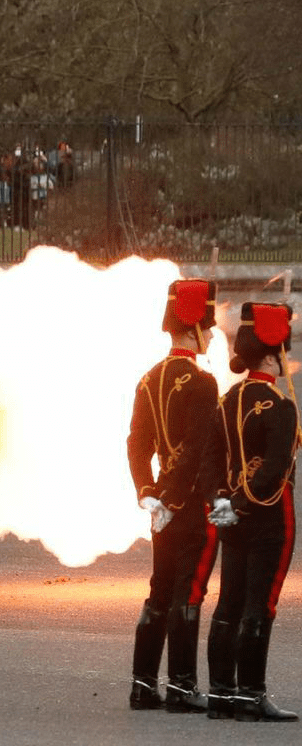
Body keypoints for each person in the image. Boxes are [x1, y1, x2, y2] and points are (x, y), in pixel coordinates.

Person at [202, 301, 300, 722]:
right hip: (268, 517)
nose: (287, 360)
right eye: (283, 352)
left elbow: (211, 462)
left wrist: (221, 503)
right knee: (260, 605)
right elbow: (276, 470)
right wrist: (241, 503)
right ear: (270, 354)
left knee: (228, 605)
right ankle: (250, 695)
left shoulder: (227, 400)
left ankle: (222, 694)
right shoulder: (281, 406)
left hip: (231, 516)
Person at [126, 278, 220, 712]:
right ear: (196, 328)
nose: (213, 334)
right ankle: (182, 687)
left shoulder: (149, 379)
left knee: (158, 592)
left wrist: (150, 494)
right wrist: (175, 496)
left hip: (160, 506)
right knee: (189, 594)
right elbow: (198, 450)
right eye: (209, 326)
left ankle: (143, 686)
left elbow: (137, 445)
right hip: (192, 503)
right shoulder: (202, 382)